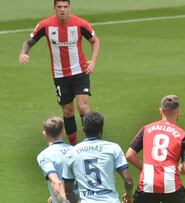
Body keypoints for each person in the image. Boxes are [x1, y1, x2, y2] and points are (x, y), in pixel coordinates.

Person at [18, 0, 100, 146]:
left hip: (80, 71)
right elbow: (29, 41)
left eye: (65, 7)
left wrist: (92, 61)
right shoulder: (46, 25)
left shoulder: (80, 24)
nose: (62, 10)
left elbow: (95, 41)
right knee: (68, 111)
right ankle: (74, 146)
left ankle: (92, 143)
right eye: (59, 7)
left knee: (83, 106)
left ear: (70, 8)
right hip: (60, 75)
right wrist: (23, 52)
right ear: (54, 8)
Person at [125, 95, 185, 203]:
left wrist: (144, 168)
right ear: (178, 112)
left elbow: (129, 155)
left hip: (147, 184)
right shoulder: (184, 136)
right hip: (172, 186)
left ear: (160, 111)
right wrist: (183, 169)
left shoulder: (146, 129)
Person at [62, 112, 134, 203]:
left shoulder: (71, 153)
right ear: (101, 128)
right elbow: (129, 181)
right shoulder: (113, 148)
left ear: (84, 129)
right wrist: (129, 195)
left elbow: (68, 191)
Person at [37, 116, 73, 203]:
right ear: (63, 132)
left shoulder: (44, 155)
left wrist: (60, 196)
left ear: (44, 134)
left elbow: (57, 183)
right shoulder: (75, 150)